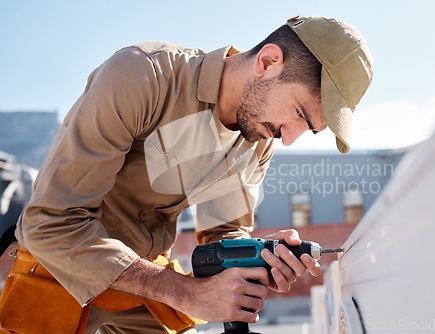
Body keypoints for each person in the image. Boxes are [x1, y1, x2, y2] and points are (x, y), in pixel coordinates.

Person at [1, 15, 373, 334]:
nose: (289, 139)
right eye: (299, 114)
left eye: (308, 130)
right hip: (61, 270)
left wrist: (258, 258)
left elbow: (221, 239)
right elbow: (51, 224)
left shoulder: (257, 140)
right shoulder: (142, 76)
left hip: (144, 288)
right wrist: (183, 292)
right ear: (268, 61)